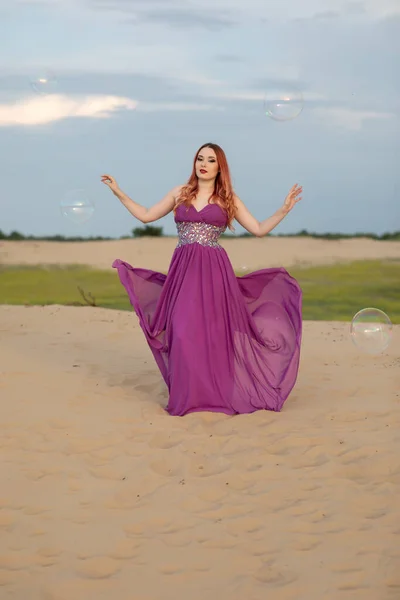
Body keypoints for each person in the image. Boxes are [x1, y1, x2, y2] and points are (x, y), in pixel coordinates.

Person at [101, 142, 302, 417]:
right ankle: (186, 398)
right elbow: (146, 216)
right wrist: (118, 192)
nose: (203, 164)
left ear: (220, 167)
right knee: (182, 331)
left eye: (210, 160)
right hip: (184, 271)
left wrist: (284, 209)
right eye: (199, 159)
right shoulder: (180, 193)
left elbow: (257, 229)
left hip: (215, 272)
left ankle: (215, 395)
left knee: (214, 334)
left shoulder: (228, 198)